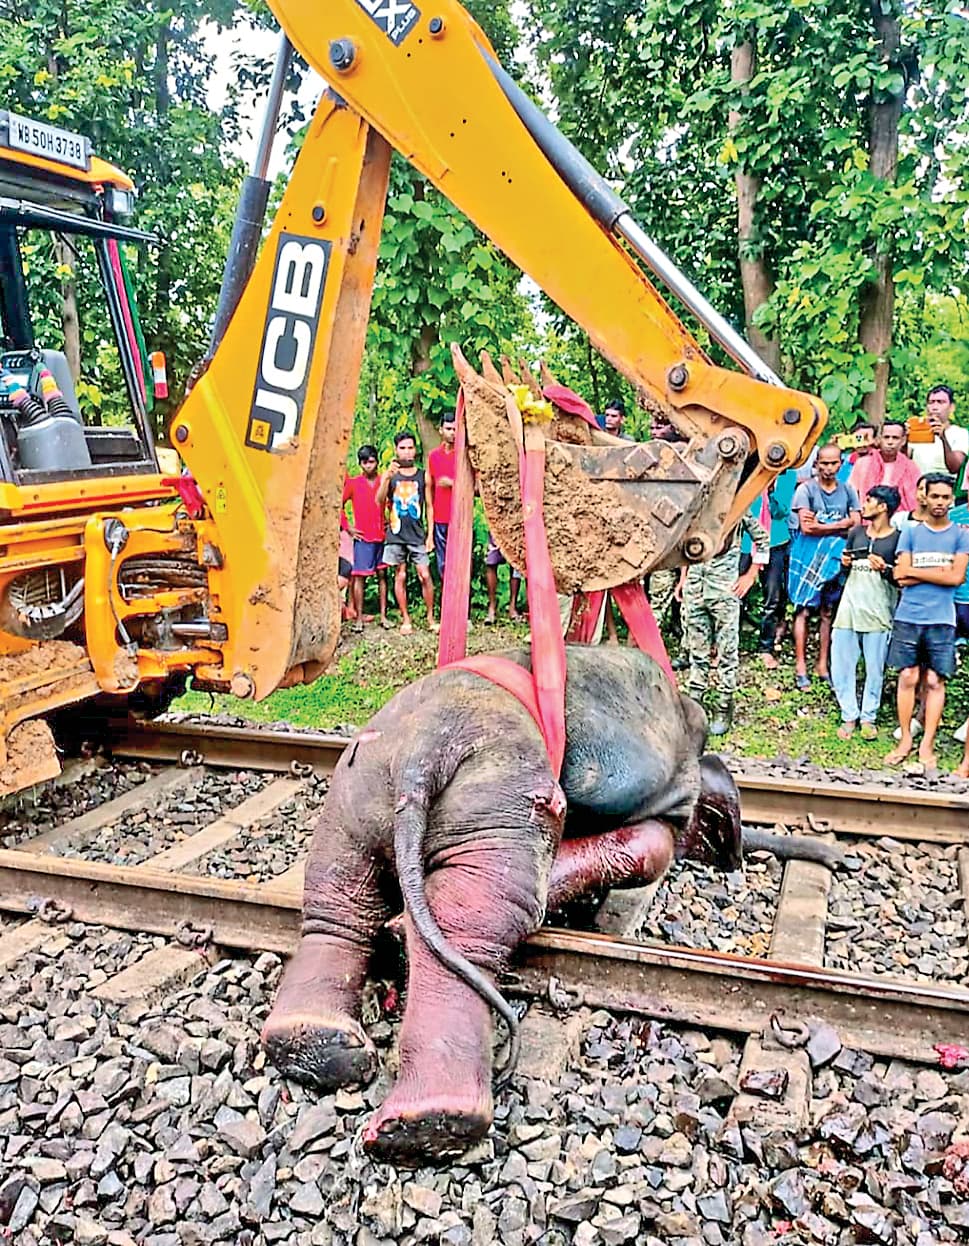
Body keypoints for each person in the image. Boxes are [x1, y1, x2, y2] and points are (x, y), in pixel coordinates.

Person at [884, 473, 969, 769]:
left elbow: (956, 578)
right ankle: (906, 737)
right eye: (935, 496)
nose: (940, 503)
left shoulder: (960, 535)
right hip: (909, 615)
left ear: (951, 499)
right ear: (925, 497)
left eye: (946, 497)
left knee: (934, 680)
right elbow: (898, 575)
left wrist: (915, 574)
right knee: (907, 676)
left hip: (942, 619)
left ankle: (927, 744)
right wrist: (939, 573)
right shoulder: (910, 532)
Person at [679, 512, 769, 736]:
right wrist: (683, 578)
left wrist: (750, 575)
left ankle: (723, 704)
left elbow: (763, 539)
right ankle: (694, 702)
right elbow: (684, 546)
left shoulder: (738, 511)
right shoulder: (699, 509)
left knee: (727, 652)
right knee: (697, 649)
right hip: (696, 588)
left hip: (724, 591)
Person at [830, 485, 900, 741]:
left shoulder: (897, 538)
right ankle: (848, 714)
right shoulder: (856, 533)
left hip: (879, 611)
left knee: (875, 667)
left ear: (883, 507)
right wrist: (845, 564)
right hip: (849, 609)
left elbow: (900, 579)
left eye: (869, 501)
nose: (864, 505)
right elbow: (843, 574)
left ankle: (868, 716)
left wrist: (885, 569)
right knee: (841, 664)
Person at [788, 443, 861, 690]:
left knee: (828, 611)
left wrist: (824, 525)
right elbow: (807, 528)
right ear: (816, 464)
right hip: (807, 555)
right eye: (824, 463)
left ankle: (822, 665)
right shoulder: (805, 490)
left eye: (833, 463)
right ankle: (800, 666)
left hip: (834, 559)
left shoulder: (848, 490)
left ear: (840, 464)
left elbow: (856, 524)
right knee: (803, 609)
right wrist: (840, 524)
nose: (828, 468)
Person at [376, 431, 438, 635]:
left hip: (417, 534)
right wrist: (386, 478)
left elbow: (429, 506)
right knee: (400, 575)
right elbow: (379, 500)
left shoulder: (423, 475)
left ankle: (430, 618)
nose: (407, 451)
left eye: (410, 447)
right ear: (396, 450)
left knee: (424, 574)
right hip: (395, 533)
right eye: (402, 448)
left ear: (415, 449)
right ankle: (406, 619)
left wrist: (430, 535)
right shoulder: (390, 474)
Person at [739, 470, 797, 669]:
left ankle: (766, 647)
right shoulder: (750, 469)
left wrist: (770, 491)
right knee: (736, 594)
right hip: (745, 542)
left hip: (774, 541)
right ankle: (728, 645)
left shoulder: (787, 475)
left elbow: (781, 511)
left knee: (772, 597)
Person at [342, 444, 389, 632]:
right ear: (360, 464)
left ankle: (384, 616)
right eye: (364, 462)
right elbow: (339, 505)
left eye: (371, 461)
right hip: (363, 537)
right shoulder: (354, 483)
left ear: (377, 461)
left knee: (383, 576)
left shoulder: (383, 481)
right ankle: (359, 618)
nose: (369, 465)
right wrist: (349, 527)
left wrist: (389, 519)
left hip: (381, 535)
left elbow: (392, 502)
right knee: (360, 577)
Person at [849, 419, 920, 512]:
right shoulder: (863, 463)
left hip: (900, 518)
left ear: (903, 441)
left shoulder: (911, 467)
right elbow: (852, 494)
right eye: (886, 437)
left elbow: (917, 498)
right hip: (868, 517)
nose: (890, 442)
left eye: (895, 438)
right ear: (879, 439)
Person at [908, 385, 968, 484]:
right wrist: (904, 439)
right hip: (918, 487)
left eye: (941, 402)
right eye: (931, 402)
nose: (935, 407)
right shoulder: (917, 429)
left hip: (945, 489)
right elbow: (904, 459)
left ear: (952, 407)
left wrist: (943, 438)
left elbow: (954, 467)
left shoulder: (960, 434)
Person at [427, 415, 456, 582]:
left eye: (455, 429)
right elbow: (429, 490)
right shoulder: (433, 456)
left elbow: (475, 488)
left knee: (459, 560)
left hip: (459, 518)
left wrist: (452, 483)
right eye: (449, 429)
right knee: (442, 563)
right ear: (441, 430)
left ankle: (460, 602)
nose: (452, 433)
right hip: (440, 518)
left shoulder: (464, 455)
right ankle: (446, 602)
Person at [484, 532, 522, 624]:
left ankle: (513, 607)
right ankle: (492, 608)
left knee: (516, 563)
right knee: (491, 562)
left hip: (515, 524)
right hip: (496, 523)